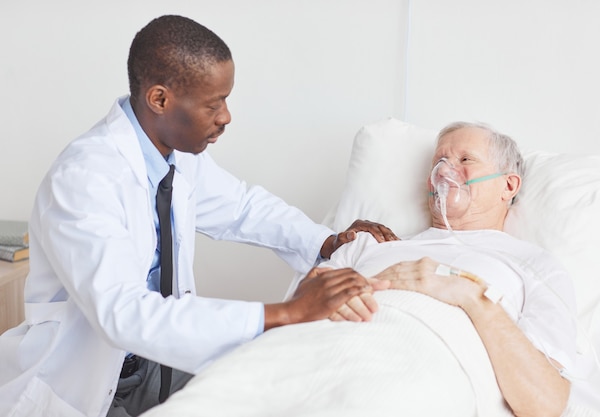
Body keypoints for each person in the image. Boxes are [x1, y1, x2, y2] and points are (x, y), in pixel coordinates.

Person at [0, 15, 399, 417]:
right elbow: (122, 314)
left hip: (155, 364)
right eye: (214, 103)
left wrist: (326, 243)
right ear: (160, 99)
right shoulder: (85, 179)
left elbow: (243, 208)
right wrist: (286, 312)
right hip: (82, 382)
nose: (226, 116)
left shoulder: (173, 157)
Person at [320, 121, 576, 417]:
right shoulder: (368, 244)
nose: (444, 171)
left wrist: (472, 296)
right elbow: (294, 313)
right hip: (324, 359)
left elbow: (545, 403)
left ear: (508, 185)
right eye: (438, 162)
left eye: (465, 160)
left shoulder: (535, 266)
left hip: (414, 384)